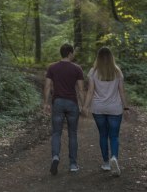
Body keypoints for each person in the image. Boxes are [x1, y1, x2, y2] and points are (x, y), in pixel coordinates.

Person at [83, 46, 129, 177]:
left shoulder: (93, 71)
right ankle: (114, 157)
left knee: (103, 135)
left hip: (98, 108)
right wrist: (125, 108)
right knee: (114, 136)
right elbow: (121, 91)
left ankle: (106, 163)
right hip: (115, 108)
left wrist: (85, 106)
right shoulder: (117, 71)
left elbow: (90, 91)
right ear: (111, 57)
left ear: (98, 57)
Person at [43, 43, 84, 175]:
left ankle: (55, 156)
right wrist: (83, 105)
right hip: (72, 103)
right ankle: (73, 164)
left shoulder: (52, 67)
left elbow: (47, 86)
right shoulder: (77, 69)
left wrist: (46, 103)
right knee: (72, 134)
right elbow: (81, 89)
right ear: (70, 53)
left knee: (56, 133)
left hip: (58, 102)